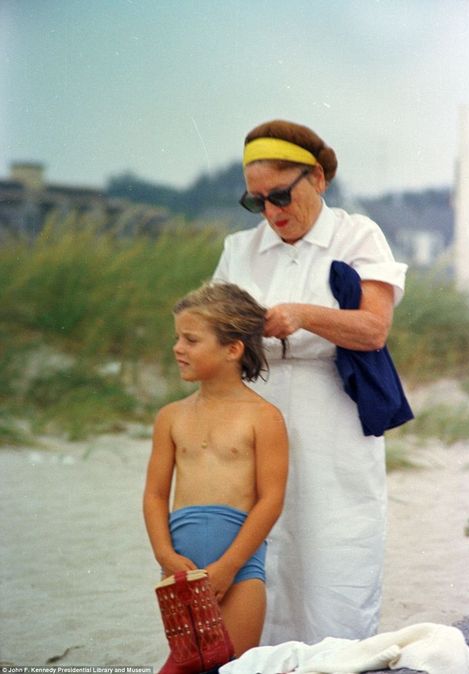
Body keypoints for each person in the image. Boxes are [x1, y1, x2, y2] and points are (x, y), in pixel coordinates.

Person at [213, 119, 410, 645]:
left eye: (281, 195)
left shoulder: (357, 235)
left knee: (335, 545)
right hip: (257, 411)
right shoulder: (239, 250)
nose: (273, 212)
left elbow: (373, 329)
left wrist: (303, 315)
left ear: (317, 178)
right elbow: (213, 333)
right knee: (265, 545)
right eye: (257, 202)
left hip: (332, 417)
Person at [143, 281, 289, 657]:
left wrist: (229, 566)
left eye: (191, 340)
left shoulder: (264, 417)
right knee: (189, 661)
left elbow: (271, 500)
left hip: (238, 567)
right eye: (177, 338)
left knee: (233, 664)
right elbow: (156, 495)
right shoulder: (170, 417)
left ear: (233, 349)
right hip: (180, 566)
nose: (177, 348)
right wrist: (164, 555)